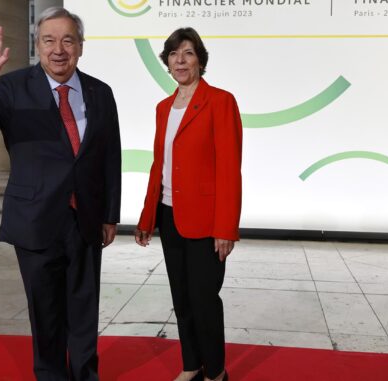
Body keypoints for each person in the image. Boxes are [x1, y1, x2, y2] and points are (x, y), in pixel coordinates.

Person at [0, 7, 121, 381]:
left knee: (84, 311)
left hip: (86, 219)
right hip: (35, 220)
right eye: (49, 40)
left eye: (67, 40)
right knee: (45, 313)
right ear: (37, 45)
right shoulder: (13, 87)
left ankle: (85, 375)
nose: (58, 49)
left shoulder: (100, 92)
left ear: (80, 46)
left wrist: (110, 214)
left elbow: (110, 155)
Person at [134, 27, 242, 381]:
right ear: (166, 62)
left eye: (188, 53)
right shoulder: (163, 108)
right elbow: (159, 166)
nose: (180, 60)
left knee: (204, 300)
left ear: (200, 60)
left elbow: (229, 168)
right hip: (169, 215)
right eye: (174, 54)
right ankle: (191, 365)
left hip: (206, 220)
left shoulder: (221, 101)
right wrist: (147, 217)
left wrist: (225, 227)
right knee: (181, 299)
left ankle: (216, 372)